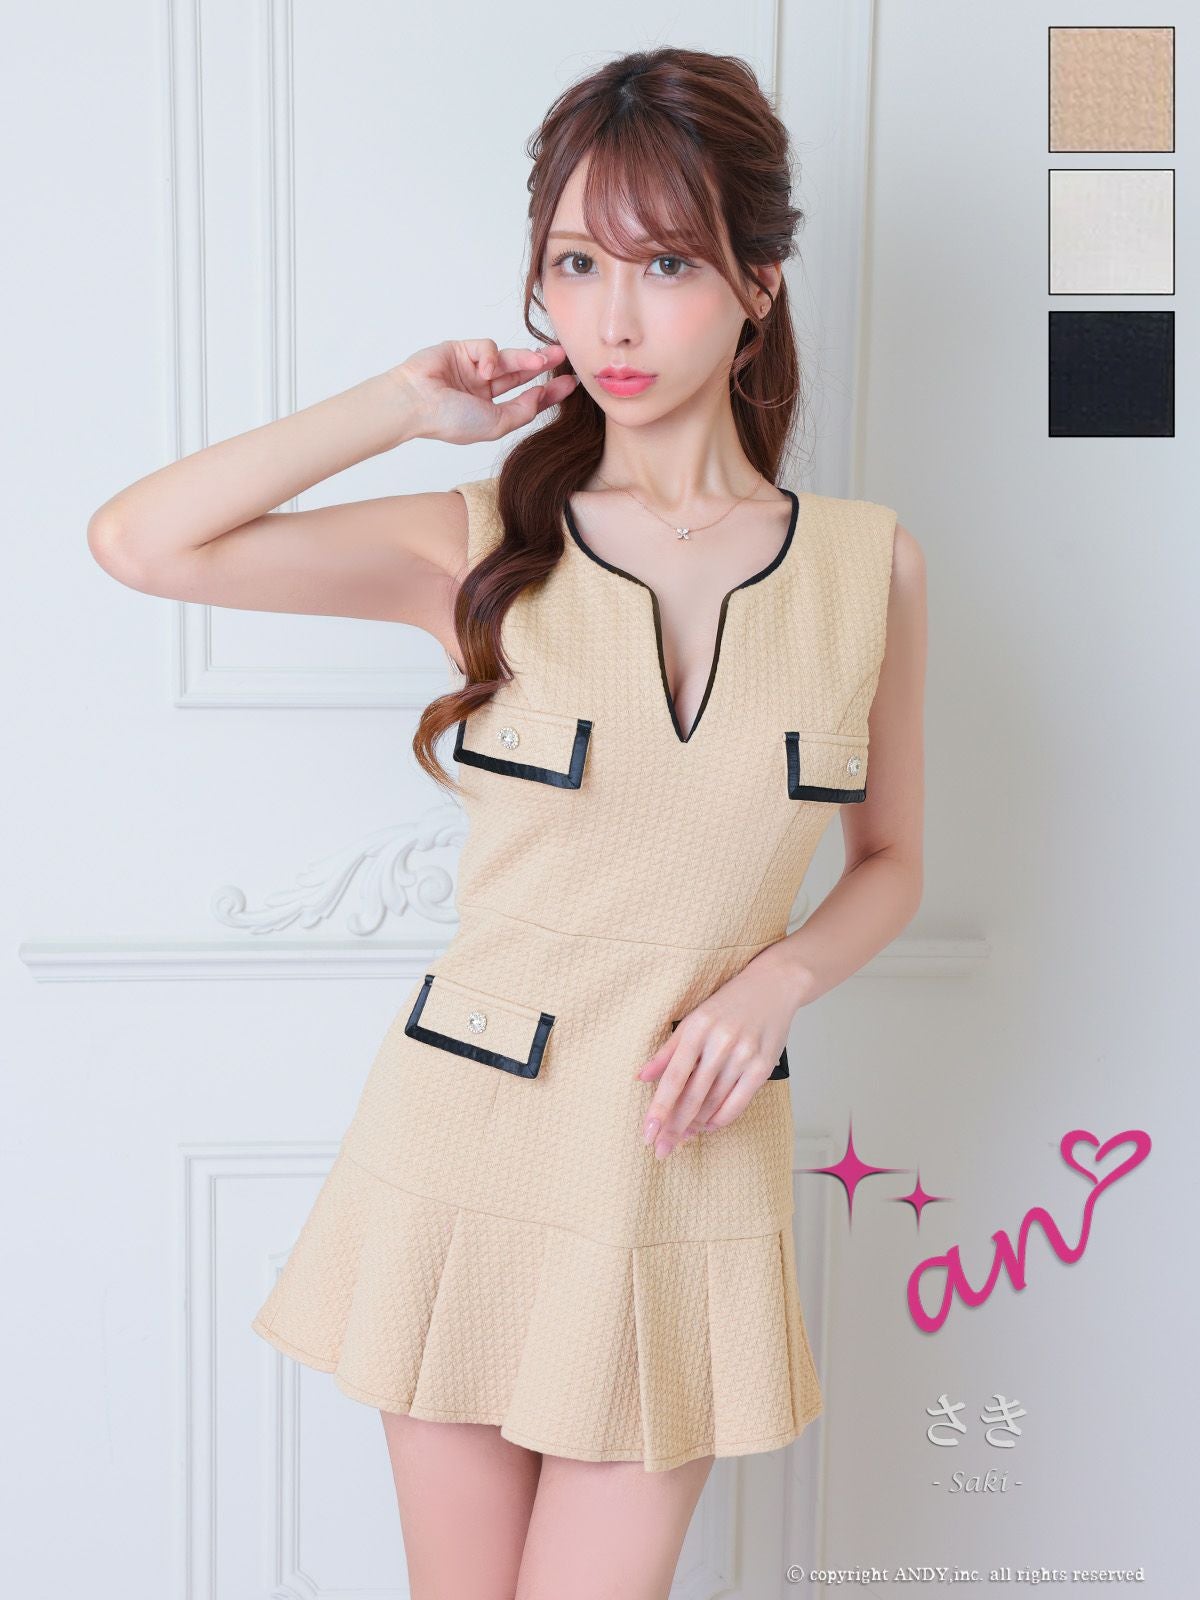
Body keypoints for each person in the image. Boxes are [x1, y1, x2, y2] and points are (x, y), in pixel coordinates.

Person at [88, 44, 925, 1600]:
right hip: (469, 1145)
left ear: (758, 282)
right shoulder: (479, 542)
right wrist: (398, 409)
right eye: (576, 264)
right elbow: (141, 541)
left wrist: (777, 981)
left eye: (666, 263)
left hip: (681, 1163)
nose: (614, 318)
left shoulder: (866, 568)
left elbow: (891, 864)